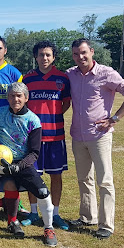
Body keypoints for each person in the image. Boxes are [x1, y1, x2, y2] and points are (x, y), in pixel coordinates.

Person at [0, 82, 58, 247]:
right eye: (12, 95)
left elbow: (34, 153)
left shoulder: (33, 121)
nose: (15, 99)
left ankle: (48, 228)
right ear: (7, 97)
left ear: (26, 98)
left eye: (19, 96)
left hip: (21, 164)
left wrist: (19, 166)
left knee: (42, 191)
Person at [66, 38, 124, 239]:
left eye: (83, 53)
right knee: (84, 179)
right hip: (78, 136)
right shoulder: (70, 74)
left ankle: (106, 225)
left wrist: (115, 118)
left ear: (91, 51)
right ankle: (88, 217)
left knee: (104, 181)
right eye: (75, 54)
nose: (80, 57)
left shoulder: (106, 73)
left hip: (99, 136)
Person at [20, 41, 71, 231]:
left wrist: (52, 117)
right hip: (32, 138)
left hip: (55, 137)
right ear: (36, 57)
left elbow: (65, 104)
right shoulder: (28, 79)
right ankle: (33, 212)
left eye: (48, 55)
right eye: (41, 55)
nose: (45, 58)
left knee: (55, 176)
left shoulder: (62, 78)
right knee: (33, 176)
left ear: (54, 57)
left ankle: (55, 214)